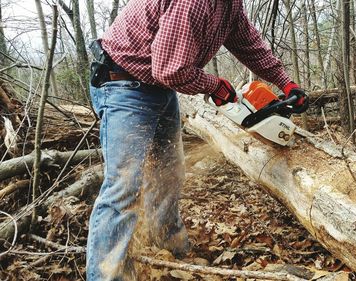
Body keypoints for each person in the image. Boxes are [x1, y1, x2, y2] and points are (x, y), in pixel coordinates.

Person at [86, 0, 308, 280]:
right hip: (123, 84)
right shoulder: (196, 2)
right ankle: (106, 275)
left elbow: (248, 43)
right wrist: (213, 85)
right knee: (124, 186)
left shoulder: (229, 6)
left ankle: (170, 254)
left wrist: (285, 81)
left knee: (169, 174)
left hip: (158, 88)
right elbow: (170, 69)